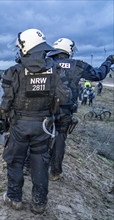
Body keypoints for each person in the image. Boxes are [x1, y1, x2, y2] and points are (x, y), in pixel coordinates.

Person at [0, 28, 67, 214]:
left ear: (25, 47)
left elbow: (6, 102)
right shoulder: (55, 70)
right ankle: (39, 203)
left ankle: (14, 198)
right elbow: (64, 98)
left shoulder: (14, 71)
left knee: (15, 161)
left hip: (19, 125)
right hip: (44, 125)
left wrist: (1, 120)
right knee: (40, 162)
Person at [47, 38, 113, 181]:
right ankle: (55, 172)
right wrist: (108, 61)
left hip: (43, 109)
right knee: (59, 139)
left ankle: (29, 167)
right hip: (65, 110)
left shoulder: (46, 63)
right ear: (69, 50)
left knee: (39, 137)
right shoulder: (77, 65)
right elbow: (98, 75)